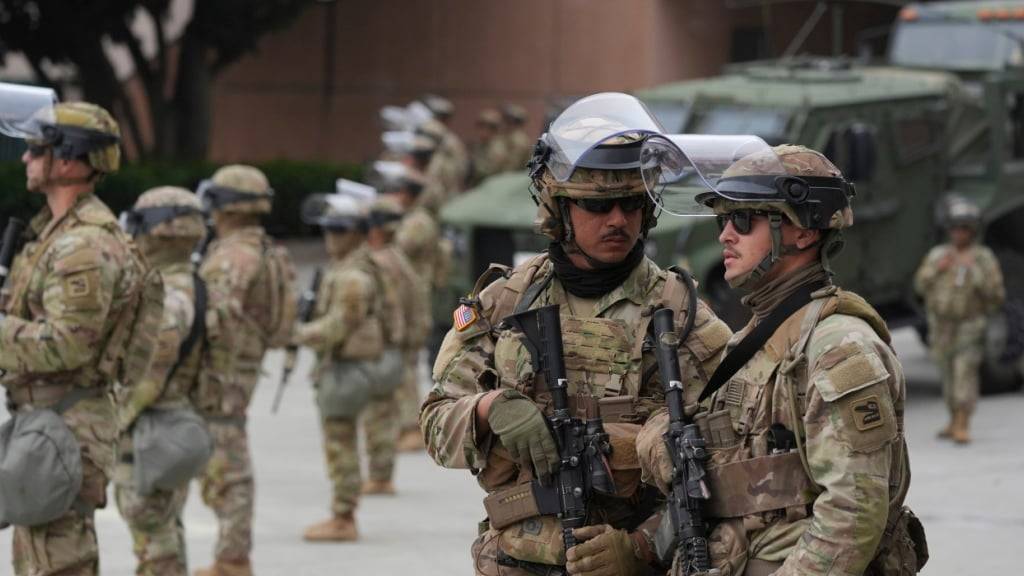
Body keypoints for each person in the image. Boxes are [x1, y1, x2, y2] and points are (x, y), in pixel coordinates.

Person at [421, 93, 732, 576]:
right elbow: (436, 424)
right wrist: (487, 408)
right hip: (516, 560)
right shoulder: (505, 303)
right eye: (598, 206)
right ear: (559, 210)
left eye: (632, 204)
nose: (618, 220)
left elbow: (727, 459)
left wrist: (644, 547)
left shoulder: (681, 315)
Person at [636, 139, 924, 575]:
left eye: (743, 220)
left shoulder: (836, 346)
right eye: (722, 219)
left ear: (804, 231)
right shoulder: (759, 338)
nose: (725, 235)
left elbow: (853, 513)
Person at [0, 94, 149, 576]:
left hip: (66, 425)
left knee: (57, 562)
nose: (25, 158)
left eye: (35, 148)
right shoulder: (55, 233)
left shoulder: (82, 245)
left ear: (68, 160)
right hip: (48, 420)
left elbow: (68, 342)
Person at [193, 165, 296, 576]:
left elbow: (212, 319)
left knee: (227, 464)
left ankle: (233, 557)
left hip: (223, 371)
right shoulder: (268, 250)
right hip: (243, 366)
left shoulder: (233, 256)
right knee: (225, 458)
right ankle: (232, 553)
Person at [115, 187, 210, 576]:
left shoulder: (168, 296)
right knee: (167, 523)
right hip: (179, 421)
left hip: (150, 429)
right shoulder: (197, 283)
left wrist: (114, 420)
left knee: (151, 529)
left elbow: (149, 373)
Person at [293, 192, 381, 541]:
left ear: (356, 233)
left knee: (340, 443)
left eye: (339, 230)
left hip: (347, 369)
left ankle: (343, 516)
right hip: (341, 366)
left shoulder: (352, 277)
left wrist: (297, 333)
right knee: (339, 441)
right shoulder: (345, 269)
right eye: (329, 230)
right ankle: (342, 511)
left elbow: (339, 325)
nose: (331, 238)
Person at [914, 197, 1004, 444]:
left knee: (965, 372)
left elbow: (995, 294)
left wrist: (972, 271)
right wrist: (938, 269)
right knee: (946, 374)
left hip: (969, 325)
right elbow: (920, 285)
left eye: (964, 229)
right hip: (942, 325)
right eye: (955, 228)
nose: (959, 233)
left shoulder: (982, 258)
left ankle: (963, 421)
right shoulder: (938, 255)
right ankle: (953, 418)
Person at [360, 195, 431, 494]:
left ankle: (380, 475)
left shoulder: (381, 261)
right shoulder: (394, 257)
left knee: (380, 409)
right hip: (401, 338)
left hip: (390, 342)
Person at [377, 163, 447, 452]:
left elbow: (398, 246)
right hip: (405, 296)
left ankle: (410, 426)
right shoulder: (409, 217)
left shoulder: (418, 222)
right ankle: (402, 423)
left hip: (414, 299)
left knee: (405, 365)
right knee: (400, 363)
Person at [468, 108, 509, 186]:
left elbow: (490, 171)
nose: (482, 131)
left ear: (494, 129)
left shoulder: (498, 148)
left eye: (486, 127)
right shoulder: (481, 144)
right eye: (480, 127)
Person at [499, 103, 533, 172]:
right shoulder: (506, 135)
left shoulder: (518, 140)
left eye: (508, 119)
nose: (504, 122)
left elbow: (512, 166)